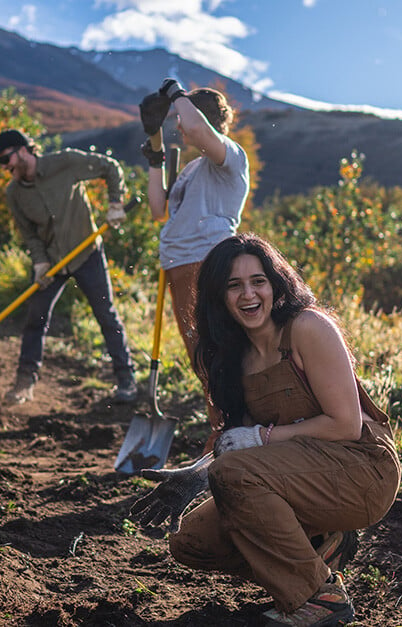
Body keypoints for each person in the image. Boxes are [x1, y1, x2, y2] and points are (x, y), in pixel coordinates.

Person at [129, 233, 401, 626]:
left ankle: (317, 599)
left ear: (276, 284)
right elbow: (239, 446)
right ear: (217, 296)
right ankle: (318, 554)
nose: (248, 294)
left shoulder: (307, 329)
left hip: (360, 469)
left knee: (232, 475)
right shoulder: (228, 357)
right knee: (191, 541)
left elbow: (346, 424)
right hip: (297, 474)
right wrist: (195, 477)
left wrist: (262, 438)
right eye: (233, 285)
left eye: (258, 281)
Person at [0, 129, 138, 405]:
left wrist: (115, 203)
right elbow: (29, 233)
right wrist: (40, 261)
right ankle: (24, 383)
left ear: (22, 151)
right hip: (53, 263)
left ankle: (126, 379)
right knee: (36, 319)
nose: (4, 167)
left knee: (106, 314)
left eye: (5, 159)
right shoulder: (15, 193)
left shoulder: (64, 162)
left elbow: (110, 167)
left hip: (86, 252)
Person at [139, 78, 250, 451]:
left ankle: (235, 430)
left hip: (210, 261)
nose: (180, 127)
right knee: (201, 356)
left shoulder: (229, 157)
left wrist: (175, 91)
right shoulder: (192, 168)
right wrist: (156, 151)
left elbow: (199, 127)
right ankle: (222, 428)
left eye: (180, 119)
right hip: (179, 264)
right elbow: (159, 210)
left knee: (220, 350)